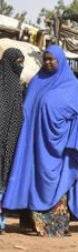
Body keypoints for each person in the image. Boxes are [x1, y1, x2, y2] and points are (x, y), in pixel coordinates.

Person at [2, 45, 78, 237]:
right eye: (46, 59)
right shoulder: (36, 82)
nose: (48, 63)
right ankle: (30, 222)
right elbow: (26, 111)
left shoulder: (71, 85)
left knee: (57, 183)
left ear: (60, 61)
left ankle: (56, 225)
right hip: (34, 144)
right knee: (32, 179)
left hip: (59, 148)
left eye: (52, 59)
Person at [0, 48, 25, 233]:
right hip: (4, 141)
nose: (21, 66)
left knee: (4, 182)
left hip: (11, 143)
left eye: (22, 62)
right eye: (17, 62)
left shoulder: (17, 86)